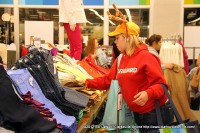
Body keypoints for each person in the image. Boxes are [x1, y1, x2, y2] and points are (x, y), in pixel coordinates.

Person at [84, 21, 174, 132]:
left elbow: (162, 85)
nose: (115, 41)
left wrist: (148, 93)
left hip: (155, 113)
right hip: (136, 114)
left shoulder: (147, 56)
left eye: (117, 38)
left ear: (127, 38)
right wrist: (85, 83)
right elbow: (107, 80)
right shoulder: (121, 59)